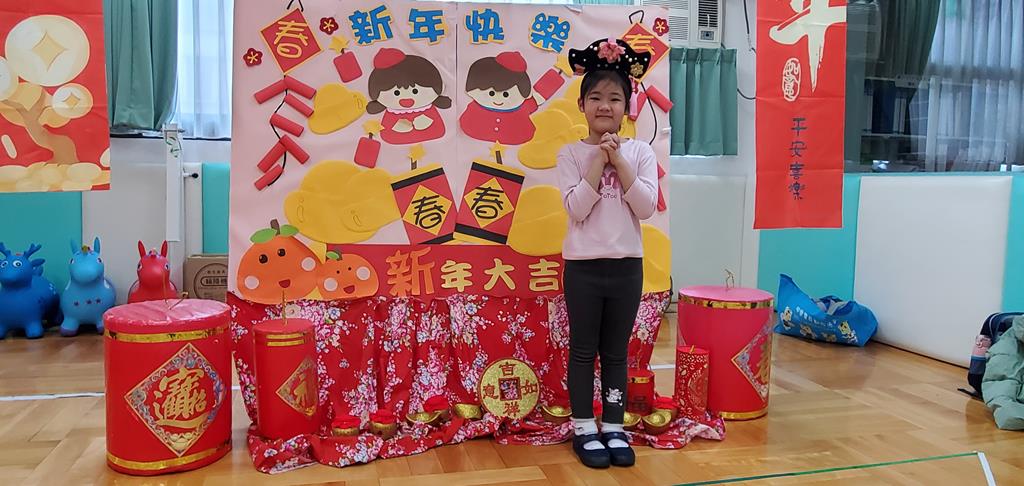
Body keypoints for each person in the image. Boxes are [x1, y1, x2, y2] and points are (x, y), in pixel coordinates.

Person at [557, 37, 656, 469]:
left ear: (627, 107)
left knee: (616, 352)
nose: (605, 105)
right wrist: (599, 160)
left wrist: (622, 161)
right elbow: (577, 209)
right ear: (582, 105)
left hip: (627, 268)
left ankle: (614, 426)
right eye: (595, 97)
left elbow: (646, 208)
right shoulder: (570, 154)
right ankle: (583, 426)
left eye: (615, 98)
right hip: (582, 268)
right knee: (583, 350)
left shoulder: (641, 151)